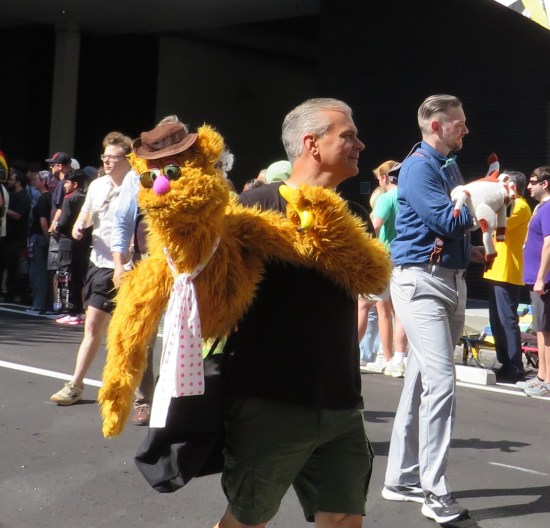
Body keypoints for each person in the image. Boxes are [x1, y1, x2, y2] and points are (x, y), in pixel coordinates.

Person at [215, 98, 374, 528]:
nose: (360, 143)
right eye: (348, 135)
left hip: (342, 402)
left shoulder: (356, 216)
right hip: (271, 402)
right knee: (247, 521)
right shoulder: (251, 206)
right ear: (312, 143)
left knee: (344, 518)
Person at [381, 94, 485, 524]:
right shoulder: (421, 166)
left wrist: (471, 248)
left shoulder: (445, 165)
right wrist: (474, 200)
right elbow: (447, 220)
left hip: (446, 277)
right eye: (458, 123)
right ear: (437, 126)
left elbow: (448, 226)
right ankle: (434, 491)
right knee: (441, 383)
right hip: (421, 281)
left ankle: (400, 479)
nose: (465, 129)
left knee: (422, 381)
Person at [50, 131, 132, 405]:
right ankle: (76, 384)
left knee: (128, 333)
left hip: (132, 269)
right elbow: (86, 212)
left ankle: (125, 390)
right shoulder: (97, 186)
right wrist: (78, 224)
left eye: (113, 157)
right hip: (101, 264)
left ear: (127, 159)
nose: (107, 162)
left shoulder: (139, 186)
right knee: (93, 326)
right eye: (104, 157)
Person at [483, 171, 531, 383]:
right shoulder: (507, 205)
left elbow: (498, 223)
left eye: (504, 182)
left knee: (507, 320)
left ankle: (515, 366)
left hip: (508, 271)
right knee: (496, 321)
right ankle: (505, 361)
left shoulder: (519, 206)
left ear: (513, 186)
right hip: (496, 269)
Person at [364, 160, 408, 377]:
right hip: (404, 258)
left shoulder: (386, 198)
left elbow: (375, 225)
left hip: (384, 256)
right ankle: (397, 359)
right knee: (397, 312)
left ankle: (354, 354)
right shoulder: (409, 196)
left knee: (364, 306)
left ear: (384, 177)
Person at [521, 166, 550, 397]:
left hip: (545, 281)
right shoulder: (540, 208)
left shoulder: (549, 208)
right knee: (540, 329)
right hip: (535, 280)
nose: (528, 186)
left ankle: (548, 380)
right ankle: (541, 375)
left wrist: (541, 277)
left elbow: (549, 243)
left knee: (547, 331)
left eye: (533, 182)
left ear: (545, 183)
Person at [54, 169, 91, 324]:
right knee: (78, 276)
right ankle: (79, 310)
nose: (64, 185)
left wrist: (56, 227)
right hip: (82, 243)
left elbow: (63, 223)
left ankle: (69, 309)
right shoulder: (86, 199)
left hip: (67, 243)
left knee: (66, 275)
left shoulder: (69, 199)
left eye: (67, 182)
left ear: (75, 184)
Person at [1, 170, 31, 302]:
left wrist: (4, 209)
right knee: (2, 265)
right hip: (7, 237)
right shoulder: (11, 194)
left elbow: (18, 215)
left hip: (16, 239)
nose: (9, 181)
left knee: (13, 267)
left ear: (18, 182)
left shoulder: (24, 197)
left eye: (13, 179)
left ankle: (13, 293)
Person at [28, 171, 53, 312]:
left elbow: (43, 222)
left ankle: (38, 303)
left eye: (36, 179)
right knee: (40, 271)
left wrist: (47, 238)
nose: (33, 181)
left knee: (39, 272)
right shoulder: (47, 197)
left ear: (43, 182)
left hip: (40, 238)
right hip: (41, 238)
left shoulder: (44, 199)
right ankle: (40, 302)